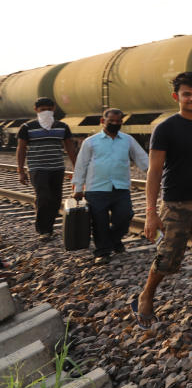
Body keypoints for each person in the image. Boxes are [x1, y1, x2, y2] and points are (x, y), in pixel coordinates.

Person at [132, 71, 192, 329]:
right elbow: (154, 171)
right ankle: (146, 296)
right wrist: (151, 212)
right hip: (176, 202)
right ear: (177, 97)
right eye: (187, 94)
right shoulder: (165, 128)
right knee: (169, 257)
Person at [71, 109, 149, 265]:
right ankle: (102, 252)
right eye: (111, 121)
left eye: (118, 122)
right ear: (102, 121)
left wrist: (154, 174)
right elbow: (81, 165)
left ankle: (113, 240)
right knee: (100, 222)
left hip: (121, 187)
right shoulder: (90, 142)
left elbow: (143, 159)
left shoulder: (128, 140)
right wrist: (78, 188)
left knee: (125, 216)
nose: (115, 124)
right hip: (96, 188)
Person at [17, 97, 78, 241]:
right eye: (42, 109)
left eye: (49, 109)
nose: (46, 112)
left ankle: (49, 227)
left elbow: (69, 146)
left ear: (54, 109)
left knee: (56, 199)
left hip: (57, 167)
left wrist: (77, 166)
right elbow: (21, 148)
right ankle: (44, 230)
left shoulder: (62, 126)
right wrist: (21, 171)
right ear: (36, 110)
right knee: (44, 198)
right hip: (37, 168)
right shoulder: (27, 127)